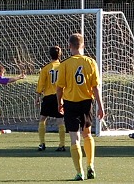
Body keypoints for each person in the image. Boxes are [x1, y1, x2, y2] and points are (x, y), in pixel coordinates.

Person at [56, 33, 105, 181]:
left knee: (74, 138)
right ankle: (91, 165)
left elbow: (59, 88)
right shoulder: (91, 62)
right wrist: (100, 107)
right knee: (87, 134)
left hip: (70, 103)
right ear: (83, 45)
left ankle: (79, 172)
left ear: (69, 46)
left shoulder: (64, 64)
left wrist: (59, 103)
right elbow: (95, 87)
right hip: (86, 103)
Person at [35, 46, 66, 152]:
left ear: (50, 54)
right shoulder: (63, 66)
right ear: (60, 55)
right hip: (60, 96)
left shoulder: (45, 68)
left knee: (42, 119)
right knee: (60, 120)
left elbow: (41, 84)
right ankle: (62, 145)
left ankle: (42, 144)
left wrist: (37, 97)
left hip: (48, 97)